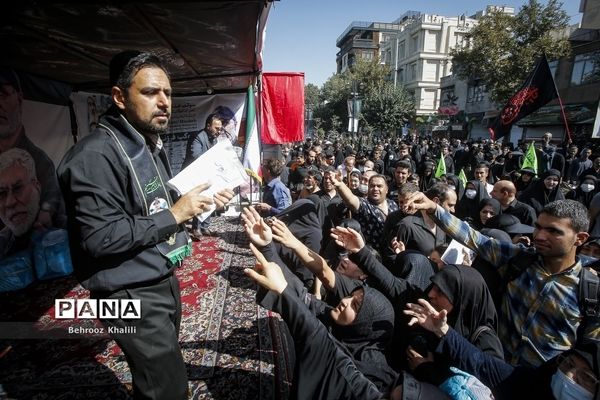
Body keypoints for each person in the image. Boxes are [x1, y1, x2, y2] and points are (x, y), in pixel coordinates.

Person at [57, 51, 234, 400]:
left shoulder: (146, 145)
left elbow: (154, 205)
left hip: (157, 277)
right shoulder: (94, 156)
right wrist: (175, 215)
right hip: (126, 291)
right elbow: (99, 237)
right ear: (120, 97)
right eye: (151, 93)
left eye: (167, 93)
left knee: (156, 377)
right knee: (167, 388)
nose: (164, 102)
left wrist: (199, 202)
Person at [402, 192, 600, 367]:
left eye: (554, 231)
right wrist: (434, 209)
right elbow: (474, 239)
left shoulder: (591, 291)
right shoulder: (520, 259)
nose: (540, 235)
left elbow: (589, 355)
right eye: (538, 227)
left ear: (580, 238)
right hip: (492, 367)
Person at [403, 298, 600, 400]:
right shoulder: (528, 385)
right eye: (568, 364)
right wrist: (443, 330)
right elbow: (481, 363)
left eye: (587, 377)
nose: (569, 378)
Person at [0, 68, 64, 235]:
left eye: (3, 94)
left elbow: (52, 211)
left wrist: (45, 215)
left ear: (19, 100)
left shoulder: (40, 162)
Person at [181, 111, 224, 238]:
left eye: (220, 129)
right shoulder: (198, 136)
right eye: (216, 128)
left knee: (211, 198)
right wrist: (213, 160)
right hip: (194, 174)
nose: (219, 131)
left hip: (208, 173)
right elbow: (195, 155)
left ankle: (205, 226)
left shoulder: (214, 140)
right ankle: (196, 228)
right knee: (199, 200)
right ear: (208, 126)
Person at [0, 148, 46, 257]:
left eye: (17, 188)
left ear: (37, 186)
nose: (10, 202)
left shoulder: (68, 230)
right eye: (1, 194)